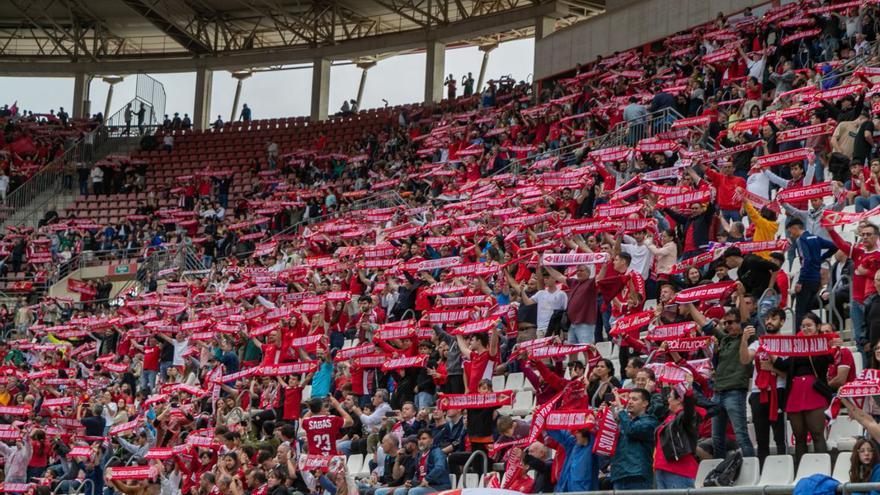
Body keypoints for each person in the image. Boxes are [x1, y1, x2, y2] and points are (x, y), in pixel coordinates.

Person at [687, 303, 756, 458]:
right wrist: (688, 302)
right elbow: (704, 323)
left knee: (741, 435)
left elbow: (746, 319)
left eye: (731, 322)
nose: (727, 326)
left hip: (735, 392)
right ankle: (721, 470)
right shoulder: (724, 339)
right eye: (725, 323)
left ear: (740, 323)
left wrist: (739, 293)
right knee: (717, 437)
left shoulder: (748, 338)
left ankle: (752, 468)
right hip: (718, 393)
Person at [773, 314, 831, 463]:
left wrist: (831, 345)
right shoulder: (796, 345)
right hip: (795, 393)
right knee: (799, 437)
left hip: (814, 391)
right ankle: (801, 472)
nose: (806, 328)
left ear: (817, 327)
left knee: (817, 434)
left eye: (809, 325)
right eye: (803, 326)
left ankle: (822, 469)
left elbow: (827, 362)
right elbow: (786, 366)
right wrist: (772, 355)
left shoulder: (824, 345)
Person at [740, 309, 788, 463]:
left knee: (780, 437)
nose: (768, 322)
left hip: (778, 391)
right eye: (766, 319)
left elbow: (789, 373)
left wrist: (772, 368)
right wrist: (743, 339)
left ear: (782, 322)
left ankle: (783, 469)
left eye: (773, 318)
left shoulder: (787, 343)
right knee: (761, 439)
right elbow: (745, 360)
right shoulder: (757, 342)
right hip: (757, 392)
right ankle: (762, 472)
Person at [787, 218, 838, 326]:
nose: (790, 235)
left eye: (790, 231)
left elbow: (806, 259)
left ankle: (799, 337)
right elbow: (834, 246)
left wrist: (800, 281)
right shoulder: (815, 237)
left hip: (807, 279)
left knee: (800, 311)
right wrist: (821, 258)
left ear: (795, 228)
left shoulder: (801, 240)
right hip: (816, 280)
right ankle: (817, 329)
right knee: (808, 310)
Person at [609, 388, 659, 490]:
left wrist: (621, 411)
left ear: (645, 403)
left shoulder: (650, 421)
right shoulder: (624, 421)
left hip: (637, 475)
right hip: (619, 475)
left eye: (635, 399)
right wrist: (609, 417)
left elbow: (632, 430)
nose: (630, 402)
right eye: (629, 399)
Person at [654, 385, 700, 489]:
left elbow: (689, 412)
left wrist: (688, 393)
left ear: (679, 400)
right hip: (661, 469)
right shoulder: (670, 417)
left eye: (670, 397)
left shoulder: (687, 417)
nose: (668, 399)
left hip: (679, 471)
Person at [545, 422, 599, 492]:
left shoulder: (592, 446)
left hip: (584, 491)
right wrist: (546, 419)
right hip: (565, 489)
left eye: (578, 432)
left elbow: (594, 429)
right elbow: (558, 433)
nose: (575, 434)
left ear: (585, 433)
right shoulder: (572, 444)